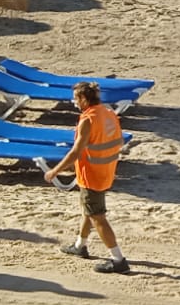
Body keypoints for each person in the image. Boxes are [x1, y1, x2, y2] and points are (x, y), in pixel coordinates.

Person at [47, 82, 129, 275]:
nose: (74, 102)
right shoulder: (108, 113)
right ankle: (80, 245)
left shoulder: (88, 120)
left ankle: (118, 259)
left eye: (76, 98)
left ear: (84, 99)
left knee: (97, 216)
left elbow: (76, 152)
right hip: (106, 170)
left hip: (92, 173)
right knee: (88, 210)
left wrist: (54, 171)